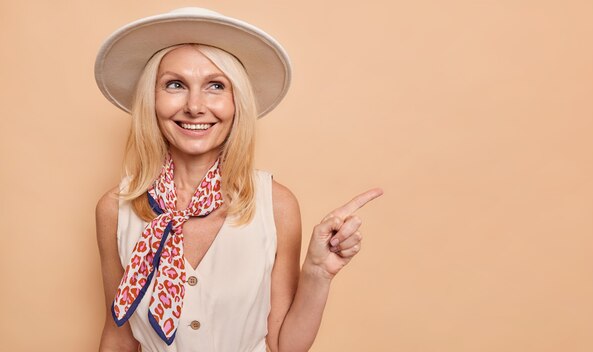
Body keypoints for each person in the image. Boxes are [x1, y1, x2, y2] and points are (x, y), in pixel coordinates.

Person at [94, 7, 382, 352]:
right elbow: (120, 334)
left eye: (216, 85)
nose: (195, 106)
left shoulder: (276, 204)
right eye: (175, 85)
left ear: (237, 102)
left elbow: (284, 345)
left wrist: (318, 272)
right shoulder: (115, 210)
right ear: (151, 99)